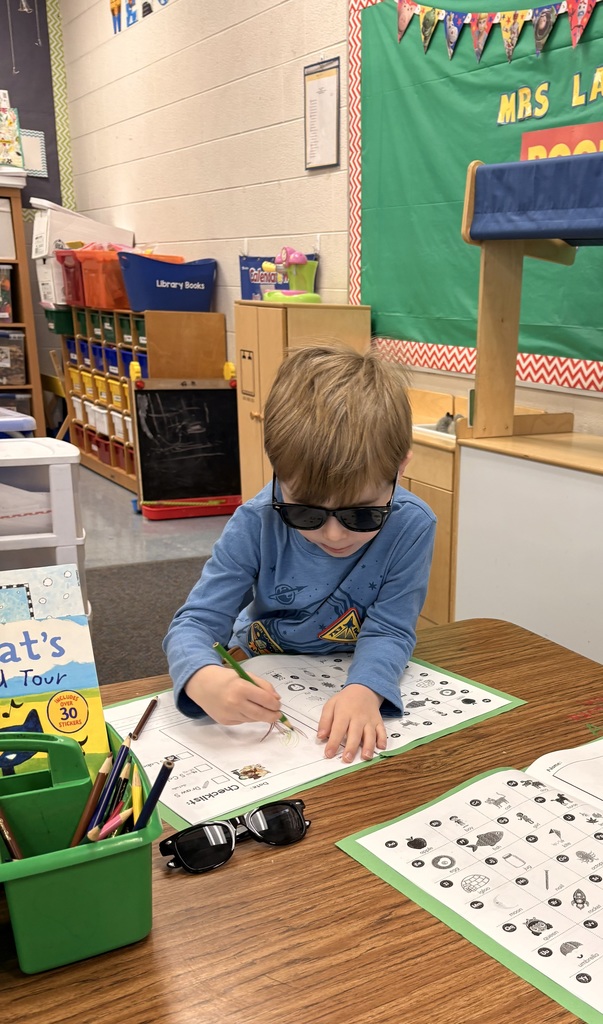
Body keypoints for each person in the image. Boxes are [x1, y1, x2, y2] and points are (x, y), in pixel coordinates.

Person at [164, 345, 436, 764]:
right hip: (257, 664)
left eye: (363, 515)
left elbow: (390, 630)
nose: (334, 534)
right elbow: (196, 622)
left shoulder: (412, 526)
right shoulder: (255, 521)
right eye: (303, 512)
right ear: (276, 469)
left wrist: (365, 689)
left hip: (349, 670)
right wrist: (203, 678)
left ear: (400, 468)